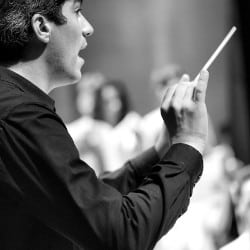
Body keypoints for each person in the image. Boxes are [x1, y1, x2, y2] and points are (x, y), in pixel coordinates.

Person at [0, 1, 209, 250]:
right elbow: (120, 233)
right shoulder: (21, 113)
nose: (88, 28)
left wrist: (159, 154)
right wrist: (189, 143)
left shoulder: (14, 105)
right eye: (77, 11)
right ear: (42, 26)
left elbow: (81, 204)